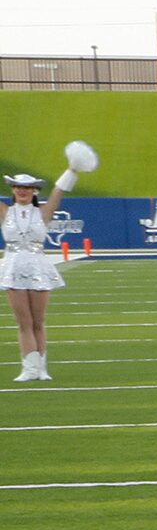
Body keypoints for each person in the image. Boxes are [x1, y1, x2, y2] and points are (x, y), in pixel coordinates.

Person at [4, 162, 78, 383]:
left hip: (38, 266)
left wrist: (72, 169)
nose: (22, 191)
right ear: (13, 190)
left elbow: (59, 190)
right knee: (23, 321)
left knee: (38, 320)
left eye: (27, 187)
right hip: (13, 266)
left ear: (34, 191)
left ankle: (42, 368)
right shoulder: (5, 212)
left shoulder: (44, 211)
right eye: (18, 187)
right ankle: (29, 368)